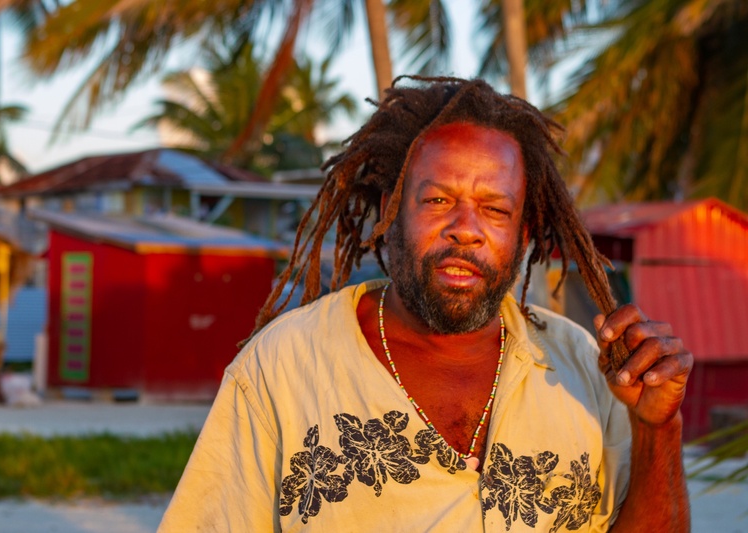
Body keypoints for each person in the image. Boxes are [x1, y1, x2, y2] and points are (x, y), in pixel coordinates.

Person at [158, 76, 692, 532]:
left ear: (524, 231)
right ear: (391, 212)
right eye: (438, 200)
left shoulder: (584, 368)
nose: (466, 230)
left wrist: (657, 428)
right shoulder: (284, 367)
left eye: (495, 209)